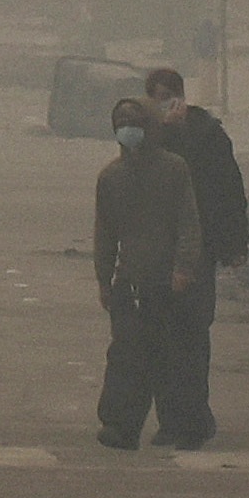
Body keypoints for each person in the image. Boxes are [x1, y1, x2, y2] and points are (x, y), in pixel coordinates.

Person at [93, 94, 206, 450]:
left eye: (134, 124)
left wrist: (183, 268)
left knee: (171, 357)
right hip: (129, 281)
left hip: (168, 282)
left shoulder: (173, 169)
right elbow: (105, 234)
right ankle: (121, 426)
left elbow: (189, 222)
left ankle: (177, 426)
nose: (128, 132)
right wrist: (104, 280)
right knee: (126, 356)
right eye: (122, 125)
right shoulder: (111, 178)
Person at [141, 66, 248, 446]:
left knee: (192, 334)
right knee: (161, 338)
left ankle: (195, 417)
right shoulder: (146, 138)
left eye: (170, 95)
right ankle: (170, 420)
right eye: (157, 98)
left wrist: (235, 243)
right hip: (156, 251)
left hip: (199, 249)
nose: (165, 104)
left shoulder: (208, 134)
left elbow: (229, 189)